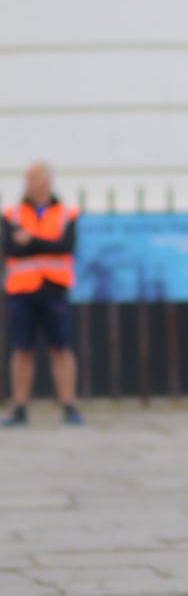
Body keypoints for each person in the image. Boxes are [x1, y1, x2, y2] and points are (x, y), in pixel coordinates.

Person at [1, 162, 83, 426]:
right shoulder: (11, 213)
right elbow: (11, 247)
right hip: (22, 289)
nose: (29, 183)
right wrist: (44, 244)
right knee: (22, 348)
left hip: (54, 288)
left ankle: (69, 404)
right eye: (26, 178)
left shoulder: (66, 213)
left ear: (47, 180)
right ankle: (20, 406)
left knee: (61, 348)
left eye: (34, 177)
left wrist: (32, 240)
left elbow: (65, 246)